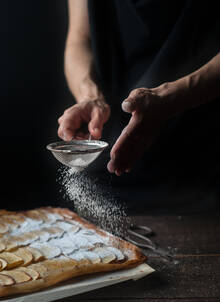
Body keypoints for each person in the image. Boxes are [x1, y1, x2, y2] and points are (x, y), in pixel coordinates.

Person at [57, 0, 220, 188]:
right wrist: (89, 96)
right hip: (106, 164)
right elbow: (79, 38)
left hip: (200, 164)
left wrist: (172, 98)